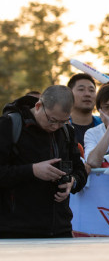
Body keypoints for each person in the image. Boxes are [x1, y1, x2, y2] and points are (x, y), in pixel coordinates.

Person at [0, 86, 88, 238]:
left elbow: (80, 171)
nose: (55, 127)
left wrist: (72, 182)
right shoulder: (8, 125)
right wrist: (32, 170)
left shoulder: (67, 132)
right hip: (16, 231)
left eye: (63, 121)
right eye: (52, 120)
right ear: (39, 106)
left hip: (60, 230)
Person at [67, 73, 102, 147]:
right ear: (69, 94)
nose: (87, 94)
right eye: (81, 89)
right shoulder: (61, 127)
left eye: (91, 90)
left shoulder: (104, 125)